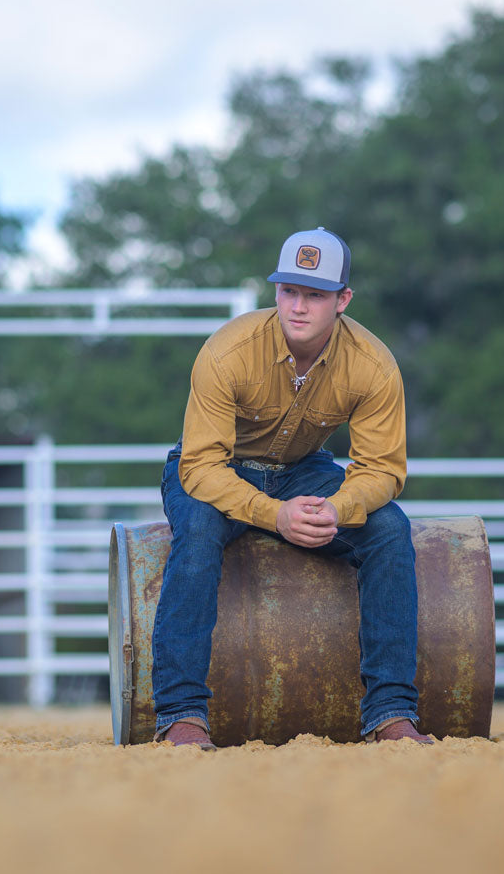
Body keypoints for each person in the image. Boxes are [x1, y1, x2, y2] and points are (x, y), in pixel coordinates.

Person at [151, 226, 433, 749]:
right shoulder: (226, 352)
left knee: (390, 529)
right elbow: (200, 467)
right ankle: (180, 713)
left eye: (316, 295)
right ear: (276, 291)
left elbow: (385, 470)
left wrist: (338, 508)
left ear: (343, 300)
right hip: (219, 466)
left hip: (305, 468)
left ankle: (391, 711)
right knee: (198, 527)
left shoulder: (373, 365)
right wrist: (274, 514)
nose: (298, 307)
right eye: (289, 291)